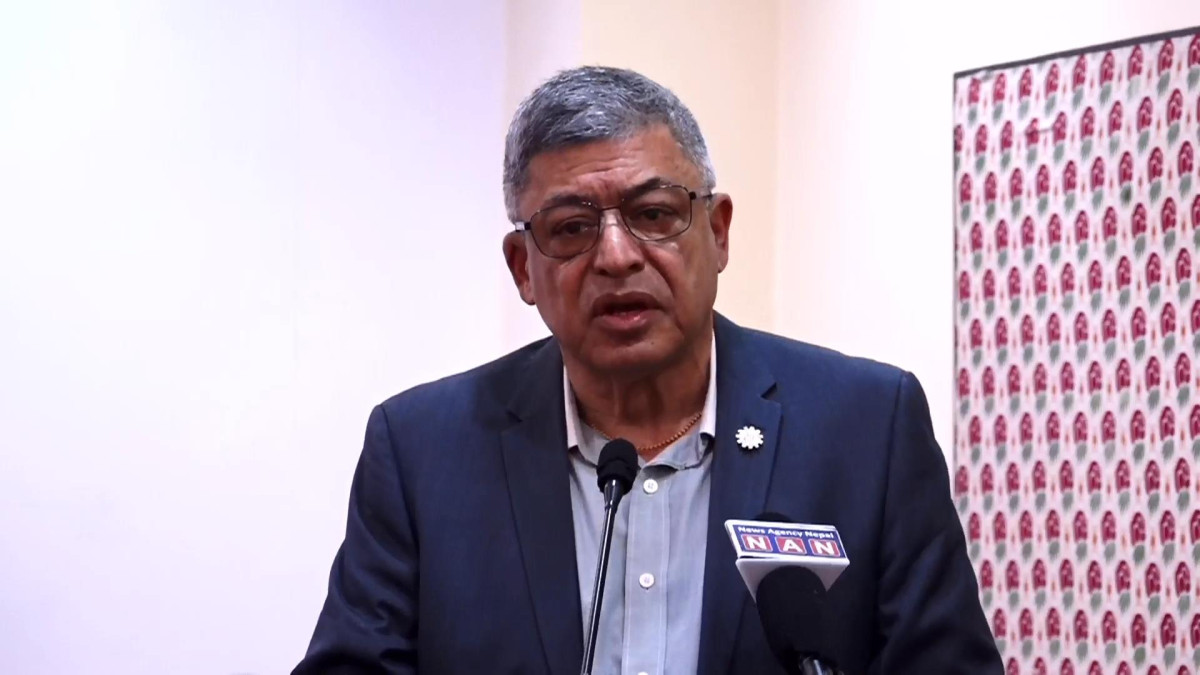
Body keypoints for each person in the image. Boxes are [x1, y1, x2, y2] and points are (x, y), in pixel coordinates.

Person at [294, 66, 1001, 674]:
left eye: (654, 214)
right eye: (571, 228)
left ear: (718, 232)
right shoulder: (422, 452)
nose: (616, 256)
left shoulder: (867, 428)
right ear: (522, 268)